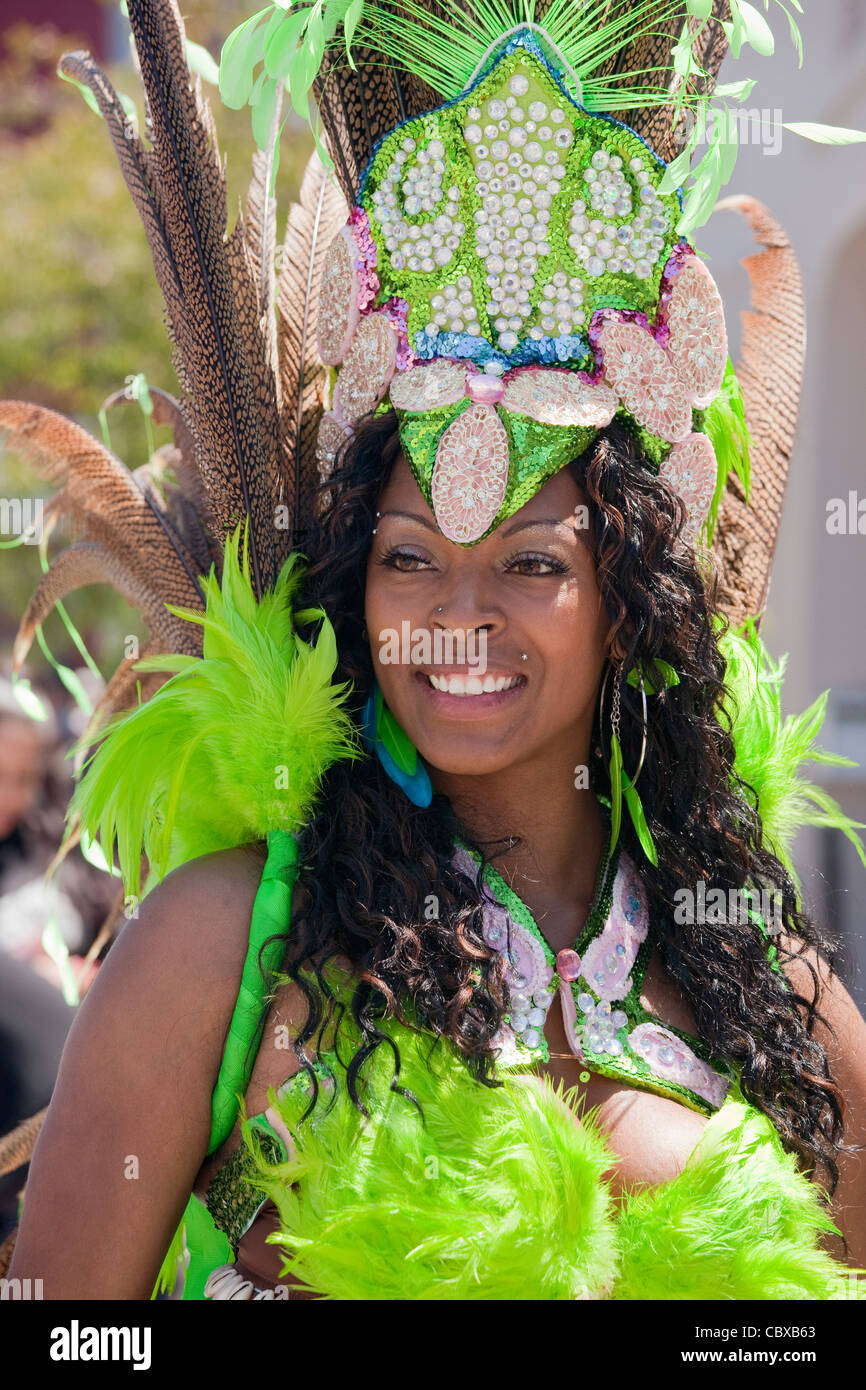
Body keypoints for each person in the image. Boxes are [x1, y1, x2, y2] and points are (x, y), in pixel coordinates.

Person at [4, 0, 866, 1300]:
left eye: (529, 563)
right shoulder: (222, 941)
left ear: (622, 598)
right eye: (410, 557)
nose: (457, 616)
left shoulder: (744, 957)